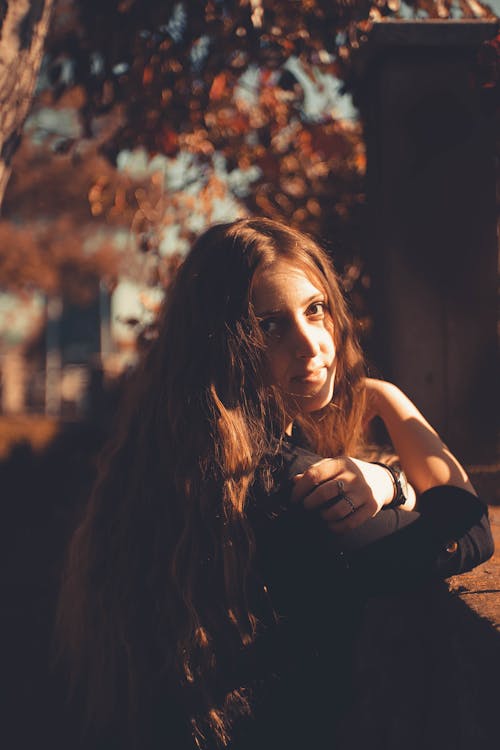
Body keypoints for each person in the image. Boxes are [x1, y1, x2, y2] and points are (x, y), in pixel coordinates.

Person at [56, 218, 494, 750]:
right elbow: (468, 530)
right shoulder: (292, 491)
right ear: (224, 346)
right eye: (269, 326)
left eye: (315, 310)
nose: (311, 345)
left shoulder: (175, 465)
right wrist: (389, 398)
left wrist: (387, 481)